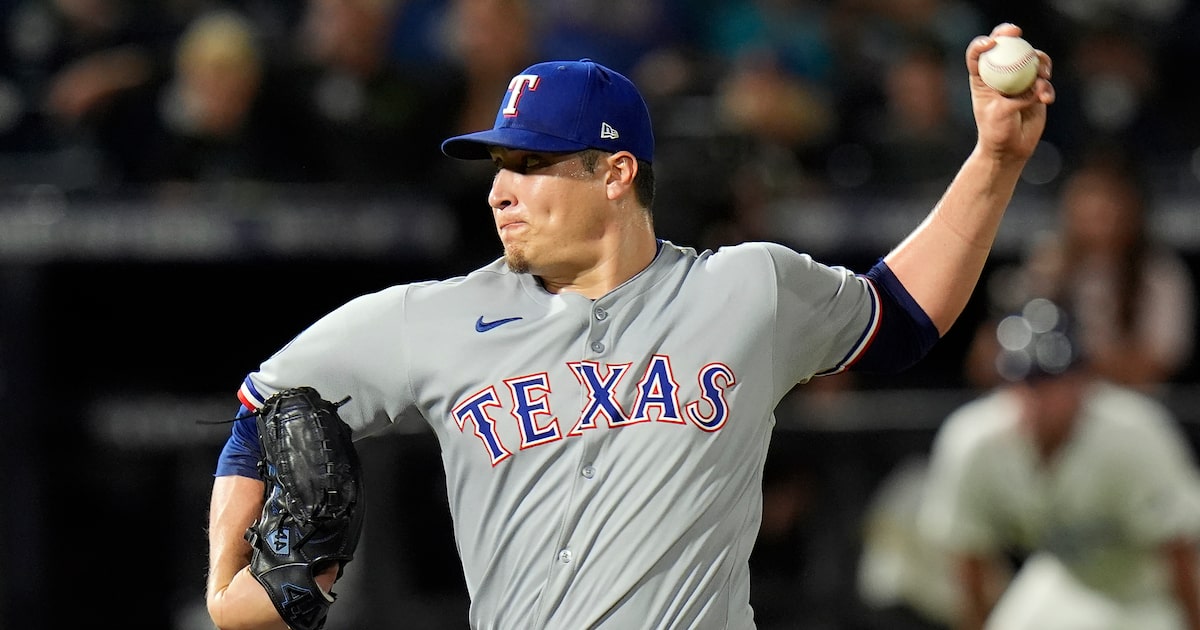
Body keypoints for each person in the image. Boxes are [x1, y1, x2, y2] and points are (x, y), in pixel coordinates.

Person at [204, 23, 1055, 630]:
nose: (500, 189)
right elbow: (265, 402)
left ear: (615, 173)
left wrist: (995, 159)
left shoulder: (746, 289)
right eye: (500, 165)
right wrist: (223, 584)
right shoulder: (435, 318)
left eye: (531, 165)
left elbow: (898, 319)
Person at [919, 297, 1200, 630]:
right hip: (1065, 579)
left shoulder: (1133, 431)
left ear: (1082, 380)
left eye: (1051, 381)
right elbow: (967, 560)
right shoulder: (973, 439)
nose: (1039, 397)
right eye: (1026, 381)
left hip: (1146, 587)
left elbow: (1180, 551)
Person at [963, 147, 1196, 391]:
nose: (1097, 211)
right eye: (1087, 196)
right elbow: (988, 361)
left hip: (1124, 403)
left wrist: (1073, 361)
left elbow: (1153, 367)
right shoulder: (1047, 261)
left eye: (1109, 198)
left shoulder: (1159, 273)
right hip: (1047, 401)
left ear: (1133, 206)